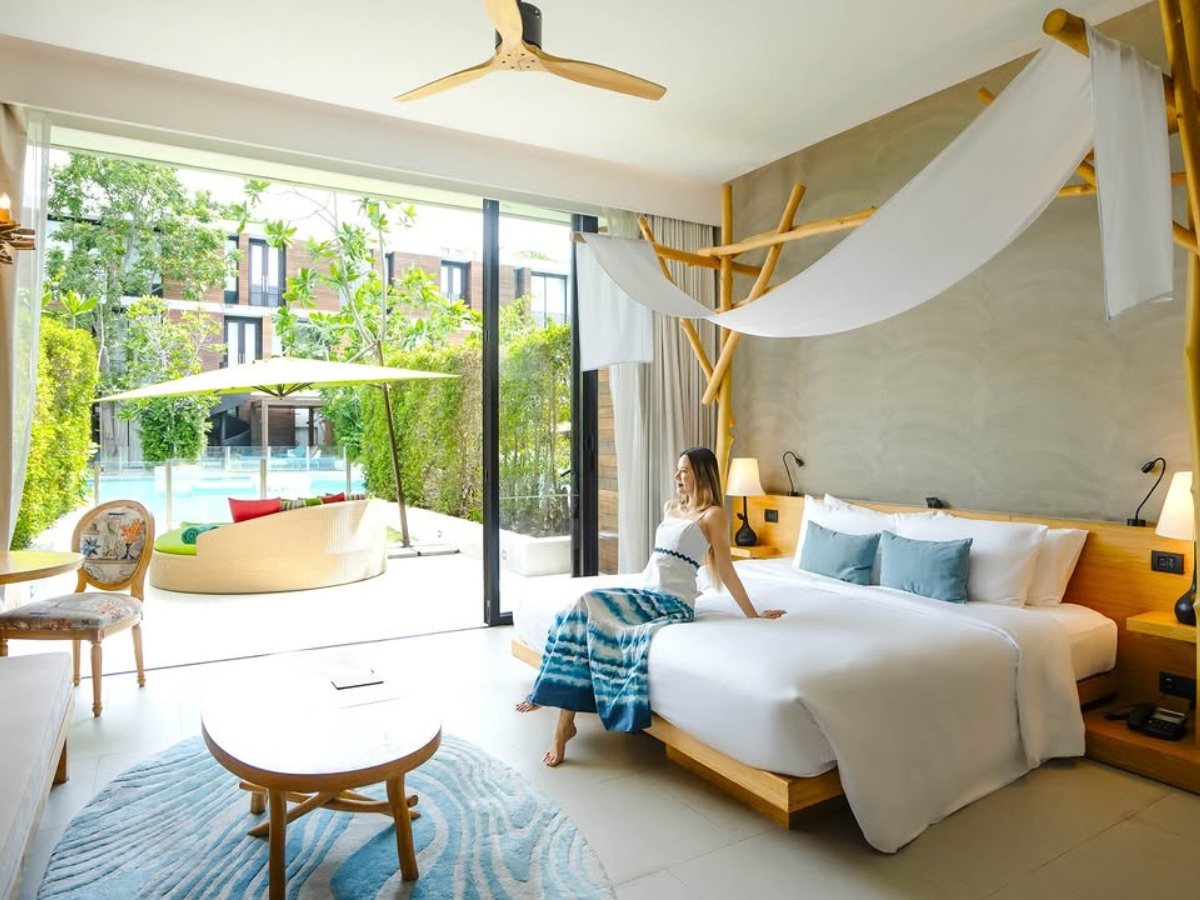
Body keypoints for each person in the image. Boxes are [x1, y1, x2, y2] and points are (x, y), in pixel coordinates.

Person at [516, 446, 785, 766]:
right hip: (647, 593)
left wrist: (752, 614)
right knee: (576, 611)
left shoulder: (712, 515)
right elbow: (662, 561)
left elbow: (725, 569)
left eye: (685, 471)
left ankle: (561, 727)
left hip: (670, 603)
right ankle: (552, 701)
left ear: (702, 474)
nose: (678, 476)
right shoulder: (671, 507)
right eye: (678, 470)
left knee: (586, 604)